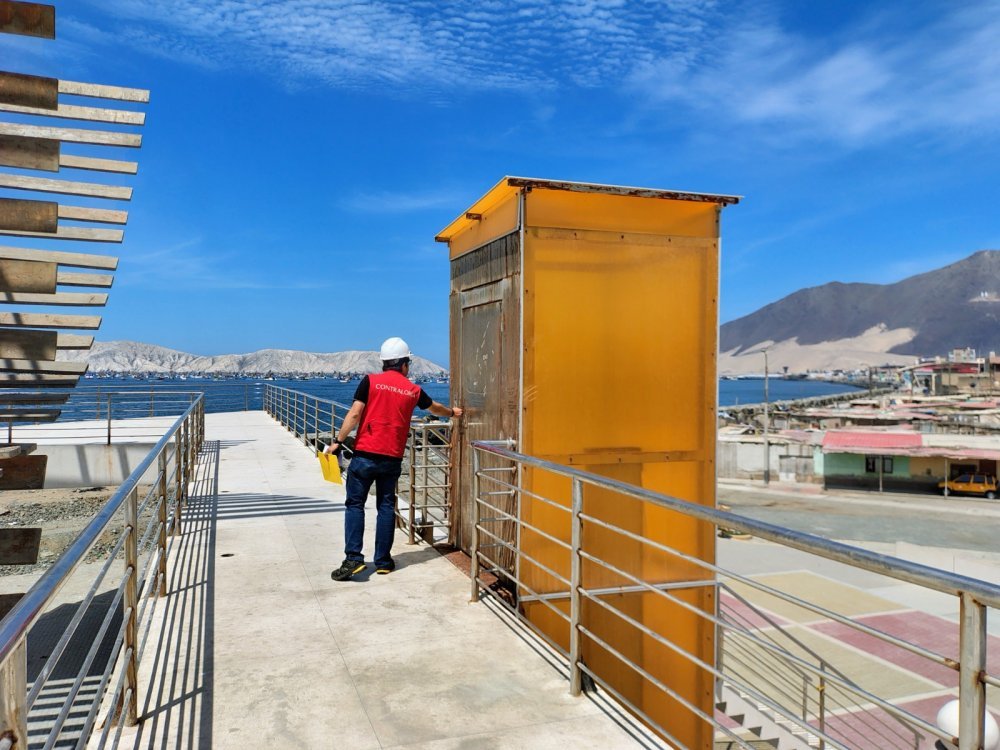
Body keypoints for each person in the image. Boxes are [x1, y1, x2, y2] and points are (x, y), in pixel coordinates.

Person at [326, 337, 462, 580]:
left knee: (355, 505)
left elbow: (355, 414)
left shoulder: (370, 381)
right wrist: (452, 412)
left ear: (384, 362)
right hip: (392, 458)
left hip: (365, 454)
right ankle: (383, 561)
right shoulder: (413, 390)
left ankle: (353, 558)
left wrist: (338, 441)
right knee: (386, 507)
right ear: (404, 364)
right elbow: (434, 408)